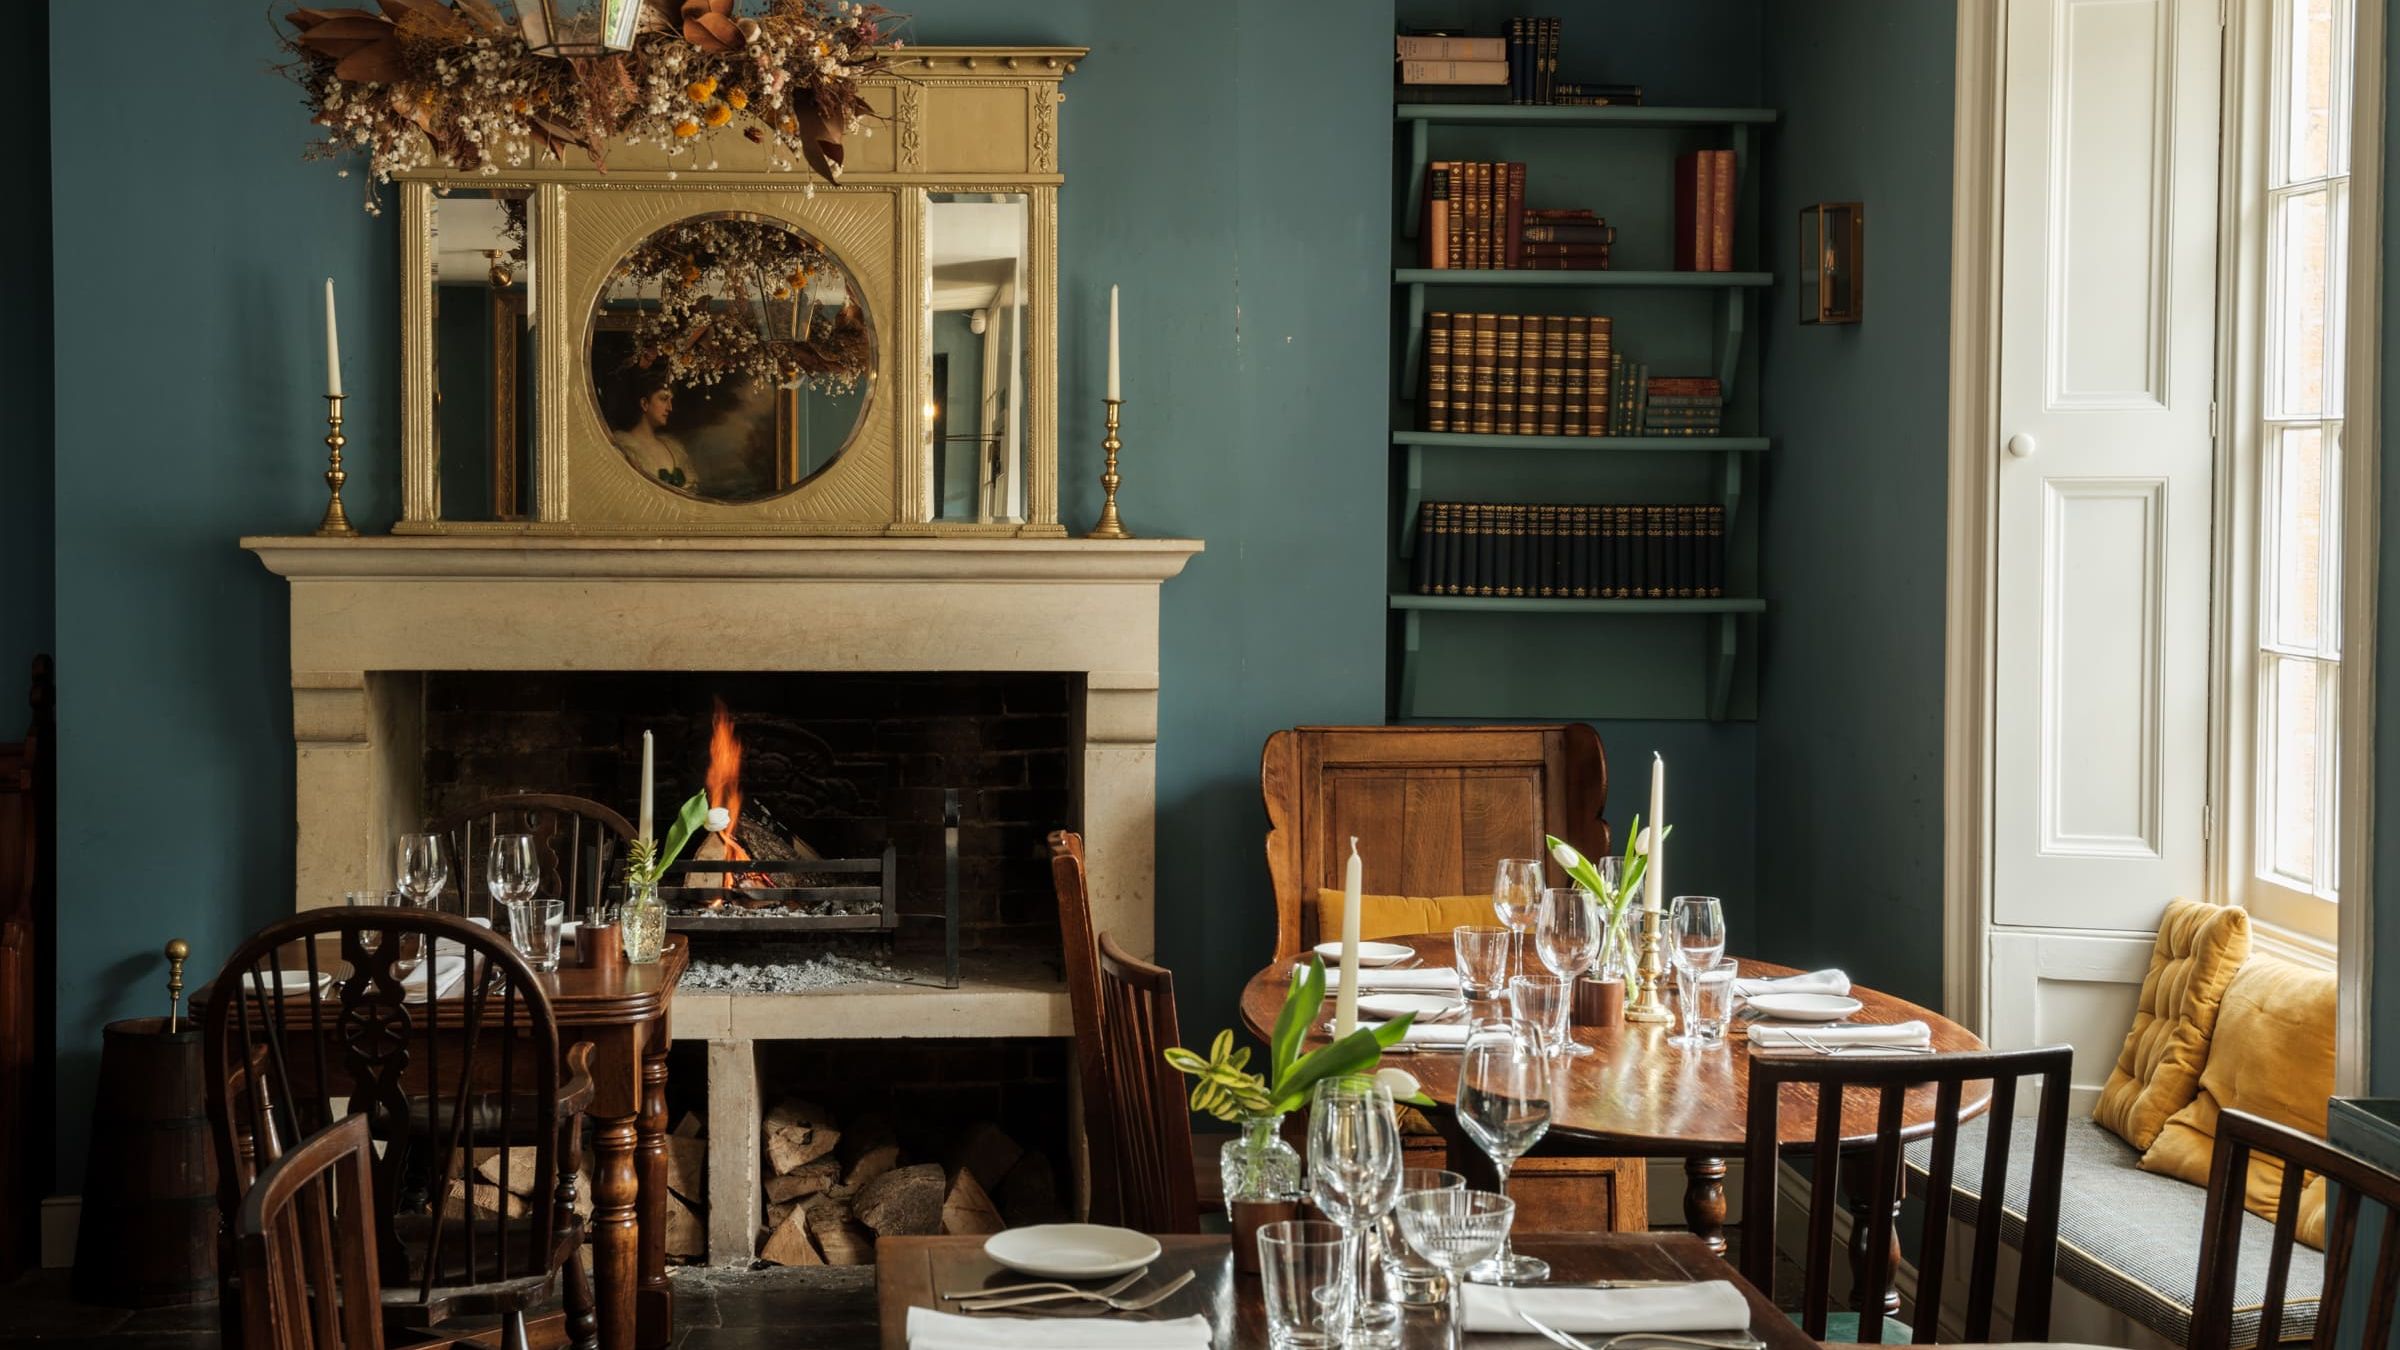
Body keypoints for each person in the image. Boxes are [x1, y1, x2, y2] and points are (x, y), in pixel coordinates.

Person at [612, 375, 699, 489]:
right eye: (663, 399)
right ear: (644, 404)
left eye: (671, 401)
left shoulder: (674, 448)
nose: (670, 408)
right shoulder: (625, 447)